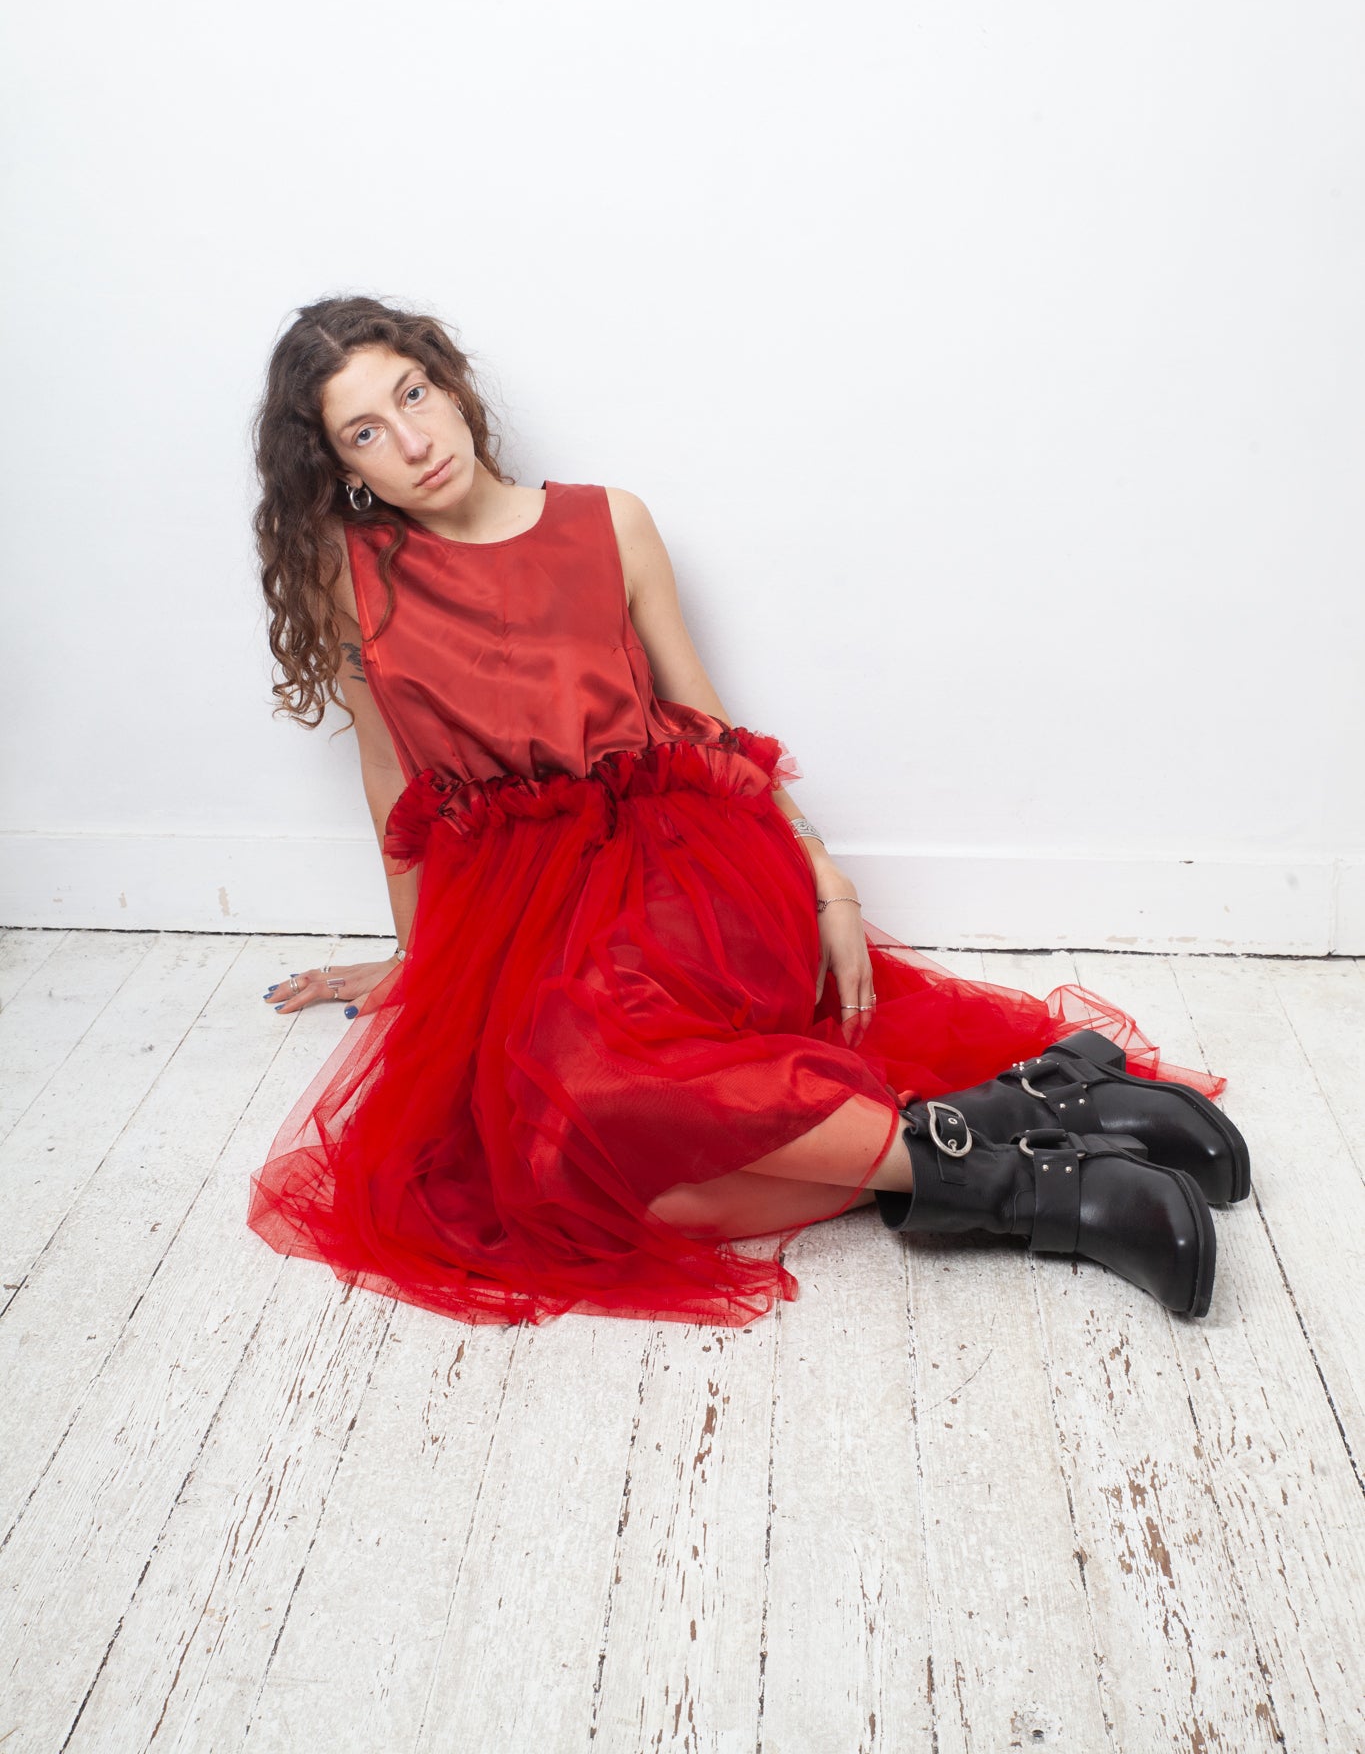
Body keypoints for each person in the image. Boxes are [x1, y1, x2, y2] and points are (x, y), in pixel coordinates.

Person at [247, 297, 1250, 1329]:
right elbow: (392, 774)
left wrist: (824, 875)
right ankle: (1025, 1143)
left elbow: (704, 720)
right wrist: (422, 957)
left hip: (676, 865)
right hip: (520, 906)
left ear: (451, 386)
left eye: (414, 394)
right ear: (341, 467)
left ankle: (1038, 1166)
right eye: (366, 431)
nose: (413, 441)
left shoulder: (608, 521)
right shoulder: (350, 574)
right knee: (573, 1185)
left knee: (594, 1084)